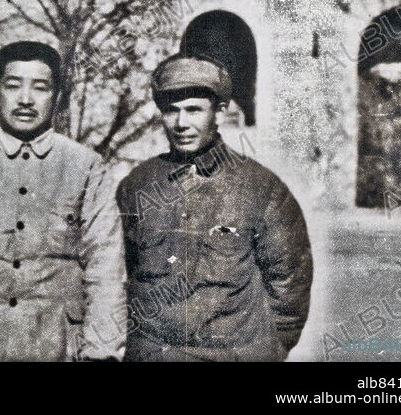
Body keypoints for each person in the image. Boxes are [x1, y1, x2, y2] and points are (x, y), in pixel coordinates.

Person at [0, 41, 126, 362]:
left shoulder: (86, 166)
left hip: (58, 344)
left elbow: (106, 265)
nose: (26, 99)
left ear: (56, 95)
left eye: (40, 88)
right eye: (13, 86)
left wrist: (102, 350)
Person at [117, 53, 313, 361]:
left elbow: (289, 284)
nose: (181, 123)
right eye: (171, 111)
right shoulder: (137, 185)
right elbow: (118, 274)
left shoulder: (261, 187)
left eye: (194, 110)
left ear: (219, 112)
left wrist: (267, 351)